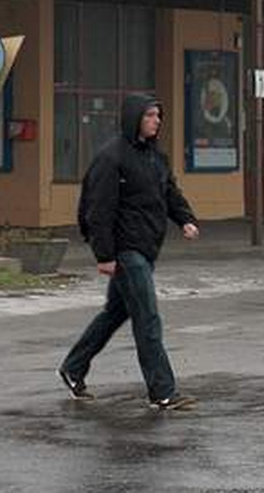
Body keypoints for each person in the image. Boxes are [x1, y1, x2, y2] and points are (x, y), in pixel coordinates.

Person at [59, 94, 200, 411]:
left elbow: (169, 191)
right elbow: (97, 209)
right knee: (148, 318)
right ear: (135, 117)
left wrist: (186, 219)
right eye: (150, 115)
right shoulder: (111, 158)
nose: (156, 120)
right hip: (125, 250)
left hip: (146, 247)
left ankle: (73, 367)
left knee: (115, 314)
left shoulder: (154, 156)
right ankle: (162, 392)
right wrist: (104, 255)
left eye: (158, 115)